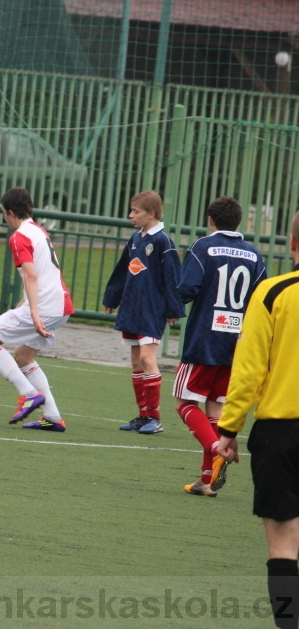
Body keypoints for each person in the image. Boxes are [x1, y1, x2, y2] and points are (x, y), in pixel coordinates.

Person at [216, 210, 299, 629]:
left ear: (292, 244)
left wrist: (228, 428)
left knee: (283, 543)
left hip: (281, 433)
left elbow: (248, 370)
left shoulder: (272, 293)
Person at [175, 196, 265, 497]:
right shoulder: (253, 254)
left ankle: (216, 448)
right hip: (234, 342)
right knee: (215, 407)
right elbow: (260, 296)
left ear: (210, 220)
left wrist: (170, 303)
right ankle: (206, 481)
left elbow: (188, 289)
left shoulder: (203, 247)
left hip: (204, 339)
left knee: (184, 402)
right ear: (238, 222)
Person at [0, 187, 74, 432]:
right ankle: (53, 417)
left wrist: (33, 312)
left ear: (10, 212)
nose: (4, 219)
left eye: (3, 214)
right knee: (23, 356)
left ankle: (29, 394)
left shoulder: (19, 236)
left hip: (44, 306)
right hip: (62, 306)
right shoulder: (39, 231)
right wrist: (24, 305)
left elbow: (31, 275)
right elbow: (41, 273)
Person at [103, 190, 185, 434]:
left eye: (136, 211)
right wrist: (112, 297)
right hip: (132, 308)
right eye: (131, 210)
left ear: (151, 213)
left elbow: (172, 278)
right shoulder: (136, 238)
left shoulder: (162, 242)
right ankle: (143, 415)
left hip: (152, 310)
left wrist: (173, 308)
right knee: (137, 363)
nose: (131, 215)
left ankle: (155, 418)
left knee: (149, 360)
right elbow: (122, 270)